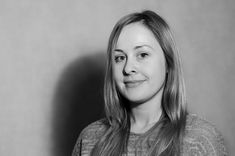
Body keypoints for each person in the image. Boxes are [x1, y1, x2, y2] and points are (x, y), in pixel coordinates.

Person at [72, 10, 227, 156]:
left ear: (168, 63)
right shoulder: (90, 139)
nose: (128, 68)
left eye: (142, 54)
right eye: (119, 58)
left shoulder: (200, 140)